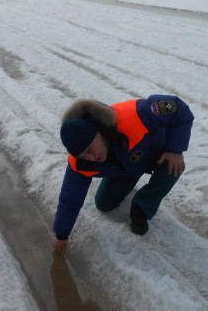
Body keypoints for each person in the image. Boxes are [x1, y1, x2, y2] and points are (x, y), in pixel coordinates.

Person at [53, 95, 194, 253]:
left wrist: (175, 149)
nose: (91, 158)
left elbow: (179, 108)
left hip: (158, 154)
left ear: (98, 133)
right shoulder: (81, 163)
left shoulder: (137, 114)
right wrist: (61, 234)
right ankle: (130, 179)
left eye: (90, 150)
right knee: (104, 204)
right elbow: (70, 197)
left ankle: (142, 207)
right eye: (84, 156)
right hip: (127, 167)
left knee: (174, 166)